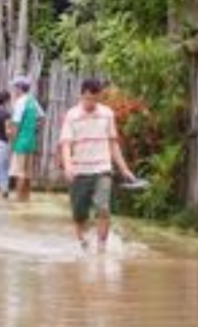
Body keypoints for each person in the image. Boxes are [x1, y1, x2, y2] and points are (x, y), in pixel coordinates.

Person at [59, 78, 136, 253]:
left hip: (102, 169)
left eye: (94, 99)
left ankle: (101, 248)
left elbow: (113, 143)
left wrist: (124, 169)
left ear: (99, 97)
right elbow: (66, 144)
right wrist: (69, 167)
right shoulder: (72, 115)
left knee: (103, 207)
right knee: (79, 214)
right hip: (79, 171)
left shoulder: (107, 114)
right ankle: (84, 246)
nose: (90, 103)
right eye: (87, 99)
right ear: (81, 96)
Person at [9, 76, 45, 201]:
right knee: (28, 171)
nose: (14, 90)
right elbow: (42, 117)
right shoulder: (32, 101)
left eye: (15, 87)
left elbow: (16, 124)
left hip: (21, 140)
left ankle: (19, 199)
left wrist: (13, 141)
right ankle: (27, 197)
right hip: (31, 140)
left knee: (20, 171)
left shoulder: (20, 102)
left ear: (19, 88)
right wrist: (34, 129)